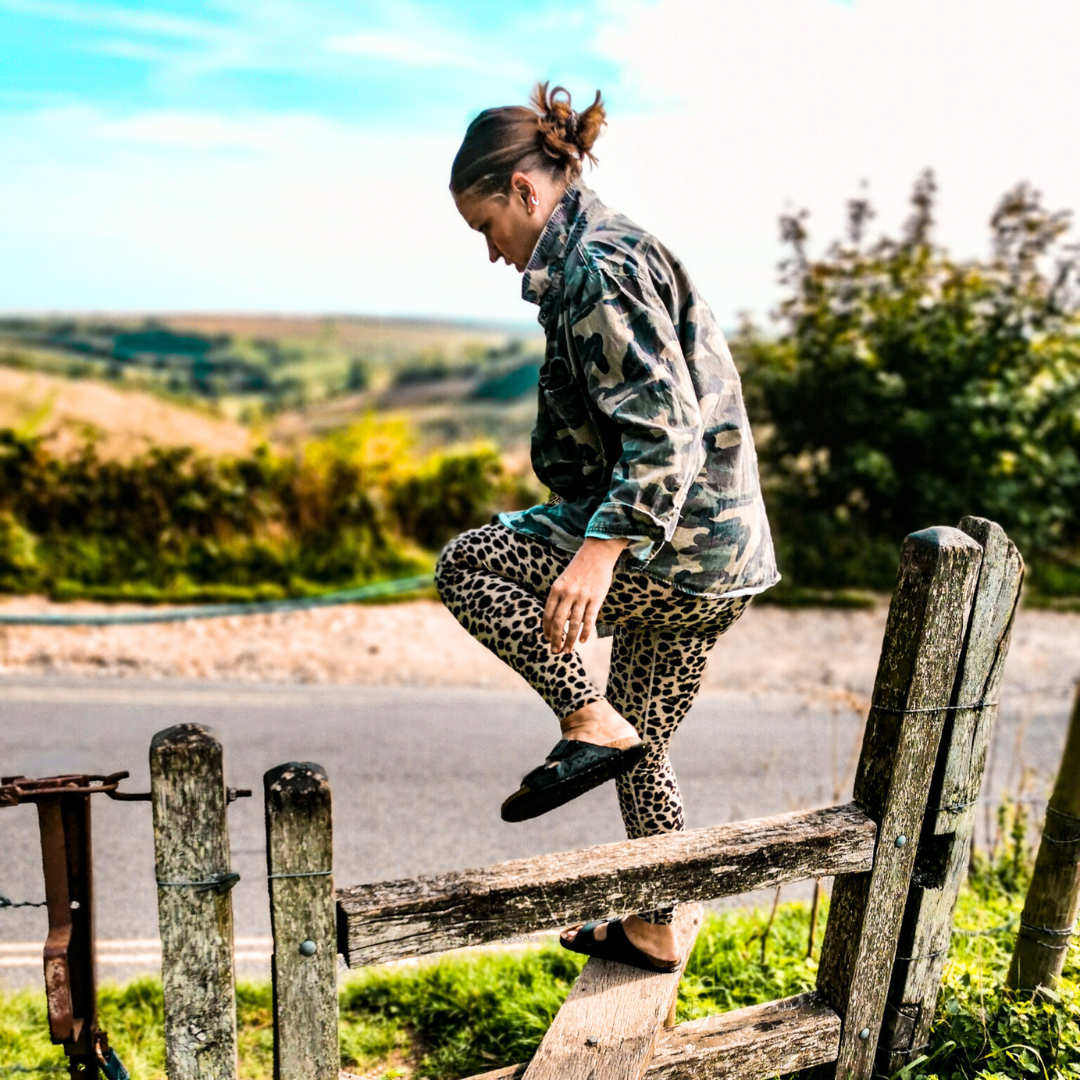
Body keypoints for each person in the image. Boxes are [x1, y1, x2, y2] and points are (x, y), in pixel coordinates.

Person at [436, 83, 779, 972]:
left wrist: (595, 554)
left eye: (486, 228)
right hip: (722, 569)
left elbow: (664, 429)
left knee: (470, 566)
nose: (490, 253)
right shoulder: (616, 243)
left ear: (523, 189)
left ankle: (584, 717)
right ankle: (658, 922)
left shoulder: (597, 265)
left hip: (670, 548)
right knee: (644, 746)